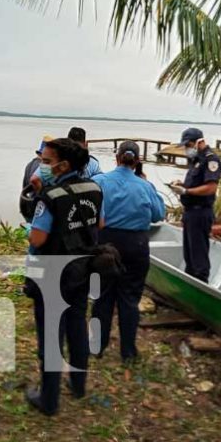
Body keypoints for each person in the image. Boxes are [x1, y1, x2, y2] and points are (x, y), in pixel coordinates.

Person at [25, 138, 103, 416]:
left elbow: (38, 236)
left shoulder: (51, 197)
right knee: (77, 325)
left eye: (46, 161)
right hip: (82, 268)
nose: (42, 166)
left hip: (52, 273)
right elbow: (99, 223)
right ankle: (78, 385)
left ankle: (48, 400)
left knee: (51, 335)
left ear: (64, 164)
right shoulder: (94, 188)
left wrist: (38, 198)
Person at [91, 141, 165, 362]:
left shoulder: (99, 181)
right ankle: (128, 352)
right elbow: (158, 214)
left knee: (102, 297)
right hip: (136, 246)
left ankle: (97, 347)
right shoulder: (145, 186)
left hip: (105, 245)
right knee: (130, 298)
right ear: (137, 161)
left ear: (117, 157)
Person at [170, 128, 221, 283]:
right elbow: (195, 183)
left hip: (200, 214)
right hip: (190, 213)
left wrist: (186, 191)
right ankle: (190, 284)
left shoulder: (210, 159)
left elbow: (211, 187)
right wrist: (181, 185)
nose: (187, 149)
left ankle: (201, 285)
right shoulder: (196, 160)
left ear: (199, 142)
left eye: (189, 145)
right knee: (189, 256)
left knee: (199, 257)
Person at [29, 127, 102, 191]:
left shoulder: (58, 162)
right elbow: (101, 183)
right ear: (85, 144)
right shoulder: (92, 163)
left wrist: (42, 195)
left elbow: (34, 179)